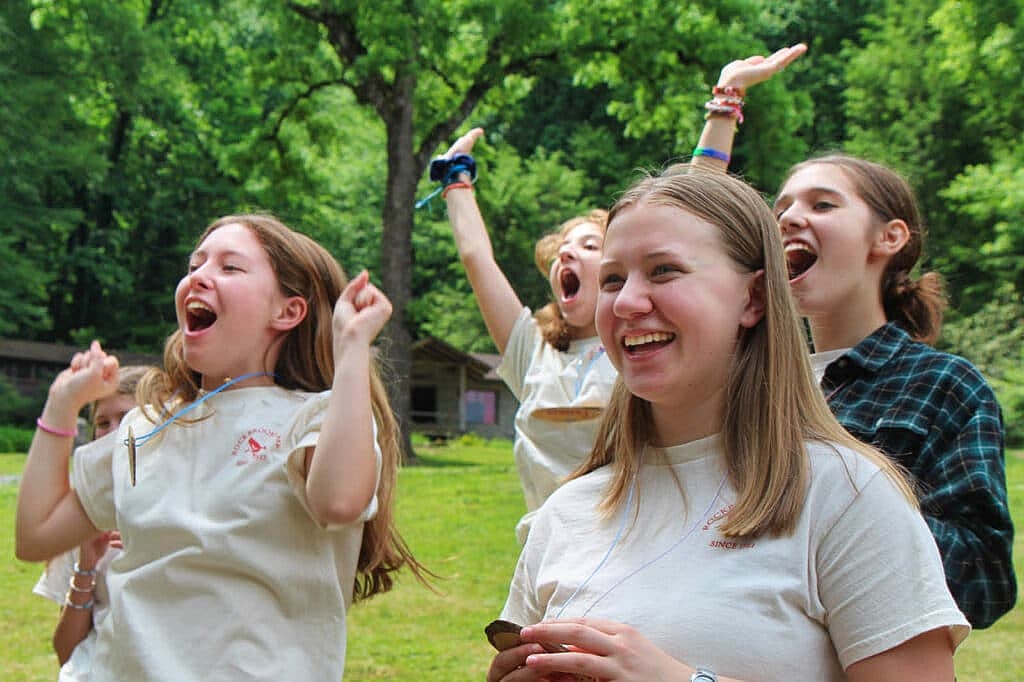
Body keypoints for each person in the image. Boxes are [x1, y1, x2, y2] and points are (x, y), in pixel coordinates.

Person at [487, 170, 969, 682]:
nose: (627, 302)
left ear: (755, 299)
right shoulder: (566, 512)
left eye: (664, 270)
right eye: (612, 279)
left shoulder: (848, 496)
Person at [17, 214, 424, 680]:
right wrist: (61, 403)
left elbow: (339, 501)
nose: (198, 277)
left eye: (230, 268)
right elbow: (36, 535)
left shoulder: (315, 419)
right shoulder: (144, 427)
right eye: (195, 265)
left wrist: (351, 347)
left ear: (287, 312)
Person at [692, 45, 1016, 628]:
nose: (788, 217)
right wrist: (725, 100)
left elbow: (985, 583)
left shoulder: (944, 386)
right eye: (782, 207)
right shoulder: (743, 372)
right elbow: (685, 233)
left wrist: (843, 482)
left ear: (888, 238)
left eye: (823, 204)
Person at [437, 128, 618, 542]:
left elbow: (680, 227)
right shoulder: (531, 349)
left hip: (629, 556)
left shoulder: (640, 347)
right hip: (545, 557)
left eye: (590, 246)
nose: (566, 254)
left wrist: (724, 104)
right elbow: (476, 258)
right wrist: (456, 178)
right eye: (561, 251)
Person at [32, 365, 148, 681]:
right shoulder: (81, 515)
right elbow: (65, 652)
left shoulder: (183, 509)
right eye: (102, 423)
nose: (111, 433)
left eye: (125, 419)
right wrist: (86, 567)